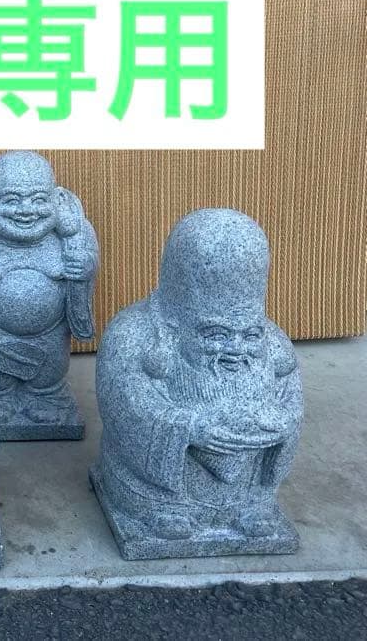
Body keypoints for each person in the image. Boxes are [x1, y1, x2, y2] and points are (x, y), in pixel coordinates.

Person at [93, 208, 302, 545]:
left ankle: (252, 502)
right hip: (154, 487)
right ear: (177, 325)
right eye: (216, 335)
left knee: (255, 487)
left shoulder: (274, 345)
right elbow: (126, 407)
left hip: (246, 480)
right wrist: (190, 428)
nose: (235, 349)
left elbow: (290, 401)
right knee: (155, 500)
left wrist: (282, 422)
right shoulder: (133, 335)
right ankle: (164, 504)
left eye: (249, 334)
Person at [0, 151, 97, 433]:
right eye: (12, 201)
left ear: (56, 199)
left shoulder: (75, 235)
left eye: (38, 200)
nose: (26, 210)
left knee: (49, 378)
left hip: (50, 333)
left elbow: (82, 290)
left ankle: (47, 396)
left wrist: (83, 272)